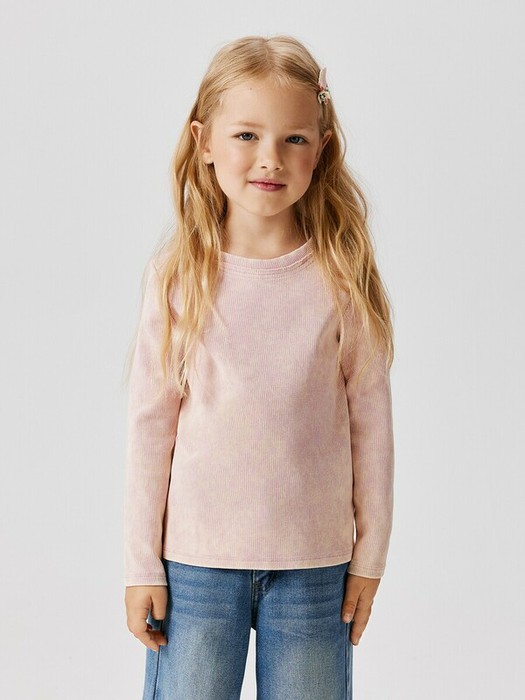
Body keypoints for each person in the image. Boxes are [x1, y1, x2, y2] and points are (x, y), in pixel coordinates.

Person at [123, 34, 395, 700]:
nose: (269, 158)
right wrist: (140, 565)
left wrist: (369, 556)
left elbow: (371, 426)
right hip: (195, 566)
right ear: (204, 141)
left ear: (319, 149)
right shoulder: (177, 278)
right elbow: (150, 429)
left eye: (293, 139)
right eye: (246, 135)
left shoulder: (340, 277)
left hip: (314, 568)